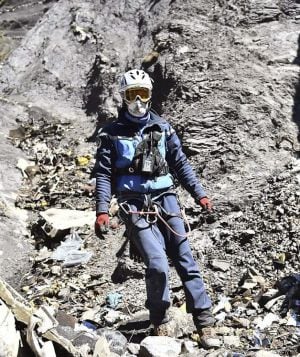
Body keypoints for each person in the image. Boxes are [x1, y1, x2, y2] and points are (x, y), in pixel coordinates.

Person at [94, 69, 216, 346]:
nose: (137, 101)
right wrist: (102, 210)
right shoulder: (111, 134)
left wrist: (200, 195)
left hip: (166, 199)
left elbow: (181, 164)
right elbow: (103, 174)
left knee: (186, 260)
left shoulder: (163, 127)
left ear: (150, 95)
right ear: (123, 98)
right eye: (131, 95)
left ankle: (205, 323)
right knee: (158, 263)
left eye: (143, 94)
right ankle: (159, 320)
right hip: (134, 204)